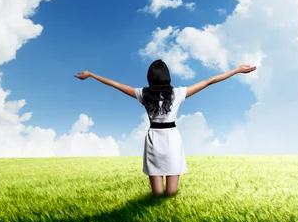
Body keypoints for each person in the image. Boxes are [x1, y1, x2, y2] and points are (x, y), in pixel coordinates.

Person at [74, 59, 257, 197]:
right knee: (170, 194)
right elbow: (209, 81)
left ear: (150, 77)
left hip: (154, 140)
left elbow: (115, 84)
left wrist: (91, 74)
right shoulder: (177, 93)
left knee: (158, 195)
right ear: (167, 77)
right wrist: (237, 70)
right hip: (171, 140)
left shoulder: (143, 94)